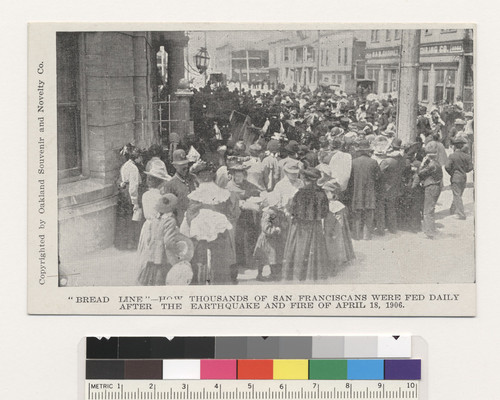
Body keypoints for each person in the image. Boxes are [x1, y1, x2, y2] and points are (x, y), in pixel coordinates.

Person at [182, 161, 240, 284]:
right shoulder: (224, 194)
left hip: (200, 239)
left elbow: (190, 217)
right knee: (219, 265)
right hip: (221, 238)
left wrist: (202, 227)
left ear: (199, 177)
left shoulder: (196, 195)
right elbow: (232, 215)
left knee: (202, 263)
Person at [283, 167, 329, 281]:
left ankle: (298, 274)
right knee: (314, 249)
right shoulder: (321, 193)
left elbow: (292, 210)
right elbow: (324, 212)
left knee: (298, 249)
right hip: (315, 226)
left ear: (305, 179)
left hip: (299, 227)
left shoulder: (300, 193)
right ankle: (314, 275)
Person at [137, 194, 186, 285]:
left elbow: (148, 237)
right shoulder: (170, 221)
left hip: (153, 248)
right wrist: (175, 248)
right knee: (161, 272)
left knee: (152, 268)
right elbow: (168, 240)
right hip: (163, 252)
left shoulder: (155, 219)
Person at [136, 162, 171, 279]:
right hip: (159, 225)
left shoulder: (145, 195)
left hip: (148, 225)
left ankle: (146, 275)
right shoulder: (163, 197)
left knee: (148, 250)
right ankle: (157, 276)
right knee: (158, 252)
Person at [226, 162, 262, 271]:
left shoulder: (249, 185)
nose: (238, 179)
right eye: (236, 176)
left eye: (240, 176)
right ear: (232, 176)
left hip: (248, 215)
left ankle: (249, 261)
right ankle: (239, 261)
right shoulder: (229, 187)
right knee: (237, 238)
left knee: (249, 237)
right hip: (235, 217)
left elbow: (258, 192)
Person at [350, 139, 381, 240]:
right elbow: (378, 177)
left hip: (357, 191)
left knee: (357, 213)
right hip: (370, 191)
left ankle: (357, 235)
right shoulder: (373, 162)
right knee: (369, 213)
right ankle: (367, 235)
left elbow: (350, 178)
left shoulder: (353, 162)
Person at [322, 181, 355, 274]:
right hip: (329, 227)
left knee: (336, 246)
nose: (325, 194)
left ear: (333, 194)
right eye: (325, 192)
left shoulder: (337, 205)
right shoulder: (326, 203)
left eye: (327, 192)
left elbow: (340, 220)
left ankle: (336, 264)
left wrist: (337, 229)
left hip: (336, 229)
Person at [115, 143, 144, 250]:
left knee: (124, 218)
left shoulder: (126, 165)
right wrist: (135, 202)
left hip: (123, 193)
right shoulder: (133, 168)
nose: (141, 159)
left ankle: (123, 243)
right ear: (136, 157)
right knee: (132, 219)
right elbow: (133, 186)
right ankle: (131, 243)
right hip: (129, 195)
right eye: (140, 157)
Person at [253, 192, 287, 282]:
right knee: (263, 258)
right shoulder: (268, 213)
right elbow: (265, 226)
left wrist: (283, 225)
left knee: (274, 258)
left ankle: (274, 274)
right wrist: (274, 229)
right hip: (267, 239)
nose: (278, 204)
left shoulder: (279, 212)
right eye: (277, 202)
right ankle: (259, 274)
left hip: (275, 239)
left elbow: (283, 222)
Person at [375, 138, 405, 235]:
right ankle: (393, 228)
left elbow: (378, 173)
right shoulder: (402, 159)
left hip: (385, 186)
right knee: (391, 208)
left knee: (381, 209)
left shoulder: (387, 161)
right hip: (395, 186)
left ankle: (381, 230)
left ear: (391, 147)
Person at [159, 149, 197, 226]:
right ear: (175, 166)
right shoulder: (170, 185)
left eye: (186, 163)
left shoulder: (193, 178)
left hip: (196, 222)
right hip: (181, 224)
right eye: (181, 164)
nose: (185, 167)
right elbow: (168, 210)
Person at [418, 142, 443, 239]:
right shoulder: (437, 163)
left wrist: (424, 163)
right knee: (431, 209)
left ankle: (429, 232)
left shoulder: (431, 164)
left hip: (431, 187)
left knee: (427, 211)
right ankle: (431, 229)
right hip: (436, 186)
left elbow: (420, 173)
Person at [445, 137, 473, 220]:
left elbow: (447, 167)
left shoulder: (452, 156)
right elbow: (470, 168)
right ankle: (453, 209)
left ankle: (461, 214)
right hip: (464, 177)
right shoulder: (467, 156)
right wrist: (464, 170)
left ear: (455, 146)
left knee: (457, 195)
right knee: (459, 194)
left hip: (455, 177)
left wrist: (451, 173)